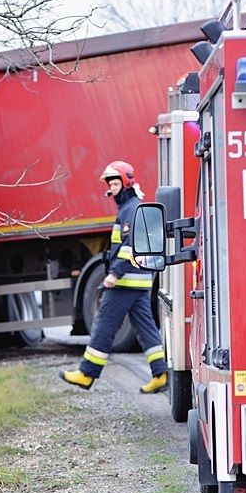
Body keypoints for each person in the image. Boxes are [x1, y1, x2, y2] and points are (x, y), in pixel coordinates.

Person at [59, 161, 168, 393]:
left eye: (116, 183)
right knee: (145, 326)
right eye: (111, 184)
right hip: (138, 280)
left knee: (104, 323)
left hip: (126, 281)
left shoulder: (130, 208)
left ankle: (86, 373)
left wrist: (114, 273)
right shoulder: (130, 207)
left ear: (126, 183)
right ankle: (160, 373)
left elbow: (130, 247)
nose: (113, 188)